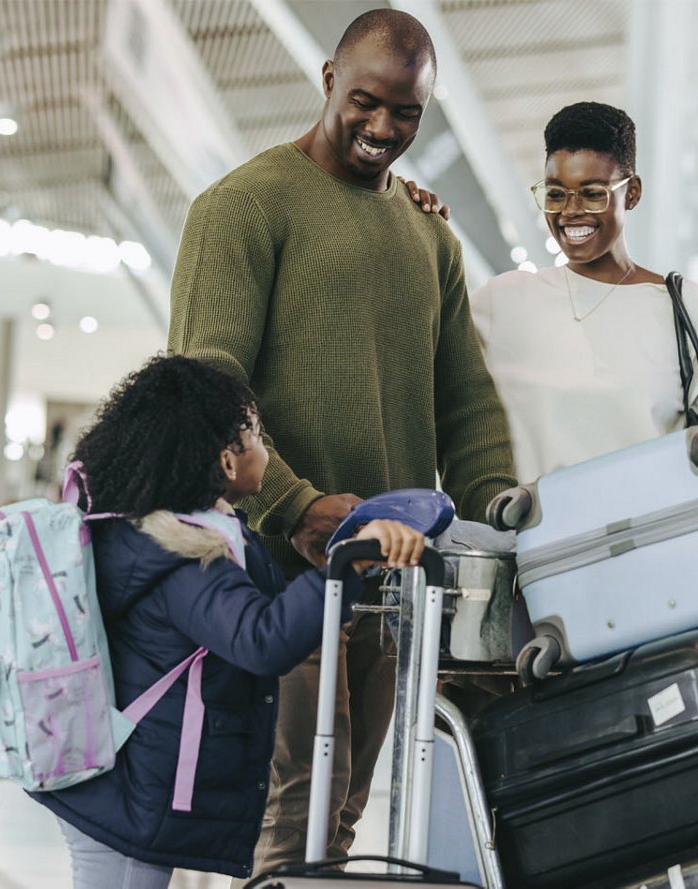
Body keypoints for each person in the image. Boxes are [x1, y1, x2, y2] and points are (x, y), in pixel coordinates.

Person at [165, 7, 517, 875]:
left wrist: (505, 508)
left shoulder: (429, 235)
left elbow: (465, 401)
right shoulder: (242, 207)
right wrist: (297, 503)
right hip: (278, 575)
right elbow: (205, 388)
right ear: (328, 80)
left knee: (345, 806)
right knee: (285, 805)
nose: (383, 128)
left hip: (392, 578)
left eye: (407, 113)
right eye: (366, 102)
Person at [29, 354, 426, 886]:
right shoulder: (184, 555)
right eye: (258, 435)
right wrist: (347, 563)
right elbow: (260, 638)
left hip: (123, 776)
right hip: (130, 794)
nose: (267, 447)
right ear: (228, 462)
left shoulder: (164, 533)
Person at [470, 102, 698, 482]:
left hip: (654, 537)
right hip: (533, 538)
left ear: (632, 193)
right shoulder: (502, 302)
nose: (571, 212)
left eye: (592, 194)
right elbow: (412, 370)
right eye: (556, 194)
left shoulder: (688, 309)